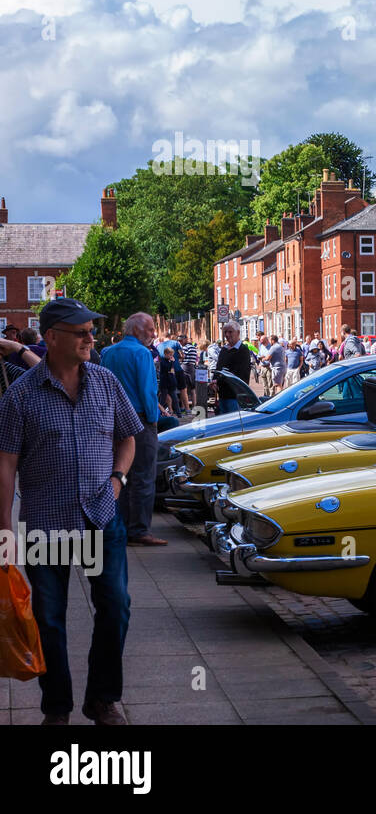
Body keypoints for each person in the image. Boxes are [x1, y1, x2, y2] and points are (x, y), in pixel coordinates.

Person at [0, 297, 143, 725]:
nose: (89, 337)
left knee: (116, 607)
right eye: (80, 331)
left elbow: (128, 437)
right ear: (52, 338)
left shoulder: (105, 382)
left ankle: (102, 699)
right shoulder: (21, 396)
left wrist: (118, 480)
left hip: (102, 515)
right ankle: (57, 707)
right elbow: (5, 465)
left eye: (90, 330)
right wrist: (4, 531)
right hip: (47, 522)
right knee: (49, 617)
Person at [96, 310, 166, 547]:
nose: (153, 333)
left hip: (113, 421)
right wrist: (154, 418)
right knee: (144, 476)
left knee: (119, 474)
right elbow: (148, 390)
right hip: (139, 420)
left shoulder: (107, 352)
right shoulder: (142, 353)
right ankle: (140, 530)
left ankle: (120, 525)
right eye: (149, 329)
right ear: (136, 330)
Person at [214, 322, 256, 414]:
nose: (227, 335)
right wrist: (214, 380)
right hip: (222, 393)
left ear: (238, 333)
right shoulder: (224, 349)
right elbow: (218, 368)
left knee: (234, 423)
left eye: (230, 332)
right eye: (225, 332)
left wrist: (221, 378)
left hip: (235, 395)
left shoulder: (242, 350)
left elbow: (240, 373)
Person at [159, 347, 180, 415]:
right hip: (164, 383)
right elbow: (167, 368)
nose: (171, 356)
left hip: (171, 382)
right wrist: (171, 362)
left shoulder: (171, 361)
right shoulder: (163, 361)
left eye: (172, 355)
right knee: (163, 398)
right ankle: (159, 412)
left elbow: (172, 371)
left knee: (175, 398)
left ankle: (178, 413)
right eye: (170, 355)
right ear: (165, 354)